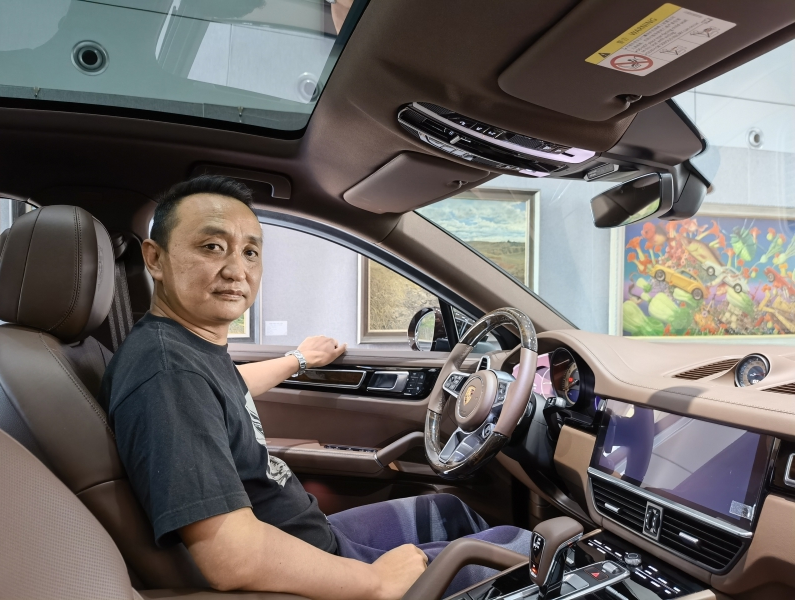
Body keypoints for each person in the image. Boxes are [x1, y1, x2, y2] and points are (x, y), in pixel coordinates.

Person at [98, 175, 532, 600]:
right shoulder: (170, 374)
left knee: (448, 510)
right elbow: (231, 556)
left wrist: (299, 359)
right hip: (303, 569)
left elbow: (229, 388)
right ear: (155, 259)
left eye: (250, 252)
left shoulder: (184, 349)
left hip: (308, 538)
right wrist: (376, 583)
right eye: (212, 246)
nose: (236, 270)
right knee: (524, 551)